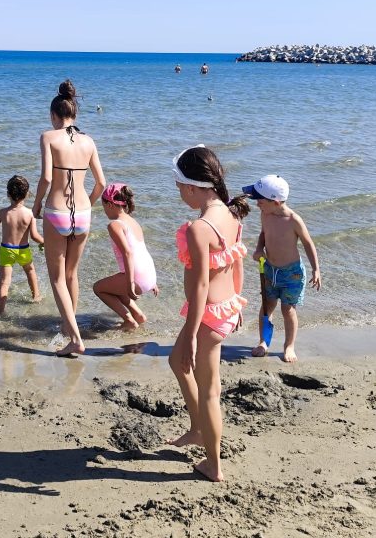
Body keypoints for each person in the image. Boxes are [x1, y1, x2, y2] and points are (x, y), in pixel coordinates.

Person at [168, 145, 251, 482]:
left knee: (210, 392)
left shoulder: (200, 228)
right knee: (176, 362)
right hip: (226, 307)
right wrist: (238, 301)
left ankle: (213, 465)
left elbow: (201, 285)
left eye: (179, 187)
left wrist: (190, 335)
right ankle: (197, 429)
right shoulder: (231, 214)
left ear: (192, 187)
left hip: (208, 316)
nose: (179, 193)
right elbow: (237, 260)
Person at [32, 80, 106, 357]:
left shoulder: (48, 137)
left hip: (57, 212)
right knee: (72, 274)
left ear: (54, 115)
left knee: (57, 279)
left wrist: (36, 205)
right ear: (74, 113)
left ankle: (74, 338)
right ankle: (68, 327)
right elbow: (101, 183)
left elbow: (46, 178)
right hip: (83, 213)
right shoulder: (89, 141)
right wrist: (89, 205)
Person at [243, 174, 321, 363]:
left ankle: (289, 346)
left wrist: (316, 269)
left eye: (260, 200)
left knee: (288, 310)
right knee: (267, 306)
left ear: (276, 202)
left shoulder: (293, 220)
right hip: (270, 270)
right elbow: (263, 234)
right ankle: (263, 342)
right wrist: (259, 249)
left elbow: (308, 243)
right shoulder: (265, 214)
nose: (257, 204)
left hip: (292, 274)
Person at [92, 183, 159, 331]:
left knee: (98, 288)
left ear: (109, 204)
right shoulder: (132, 221)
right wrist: (152, 281)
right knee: (117, 287)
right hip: (148, 275)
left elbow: (128, 253)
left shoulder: (115, 225)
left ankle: (129, 320)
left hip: (138, 278)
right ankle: (138, 315)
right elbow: (142, 250)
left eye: (103, 207)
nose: (104, 211)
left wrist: (130, 283)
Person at [0, 175, 43, 315]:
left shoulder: (3, 213)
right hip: (23, 250)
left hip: (6, 250)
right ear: (27, 194)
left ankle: (0, 312)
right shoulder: (29, 214)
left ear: (8, 194)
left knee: (4, 282)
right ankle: (36, 297)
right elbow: (34, 236)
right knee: (30, 272)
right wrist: (45, 242)